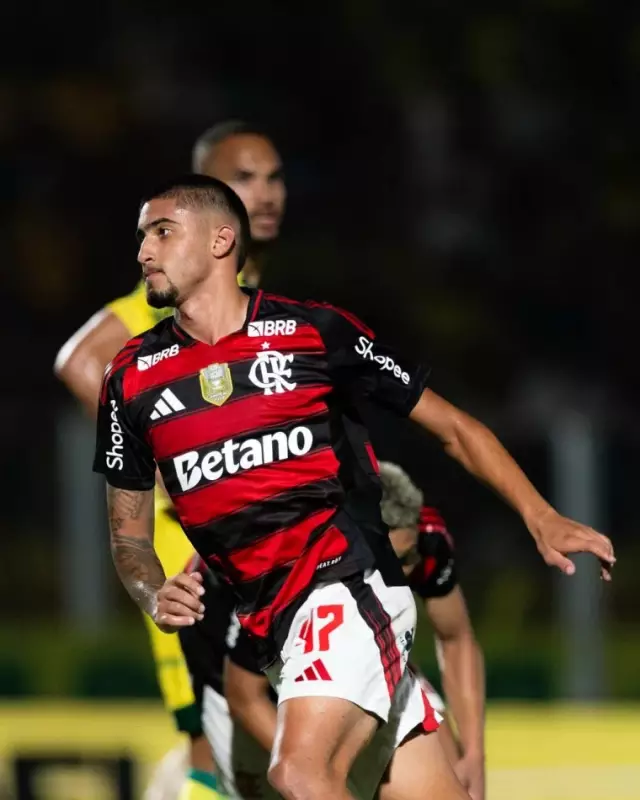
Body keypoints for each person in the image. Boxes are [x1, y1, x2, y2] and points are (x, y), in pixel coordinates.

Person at [93, 174, 614, 800]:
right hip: (274, 630)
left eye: (162, 231)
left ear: (221, 241)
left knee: (300, 775)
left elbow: (450, 426)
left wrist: (540, 514)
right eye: (142, 236)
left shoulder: (312, 333)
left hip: (347, 585)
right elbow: (128, 537)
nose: (144, 251)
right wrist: (153, 594)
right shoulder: (129, 379)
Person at [53, 122, 285, 800]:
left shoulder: (254, 298)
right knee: (214, 749)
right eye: (244, 179)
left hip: (262, 557)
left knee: (254, 751)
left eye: (274, 178)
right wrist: (168, 453)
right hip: (188, 559)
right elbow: (81, 360)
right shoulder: (181, 296)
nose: (265, 194)